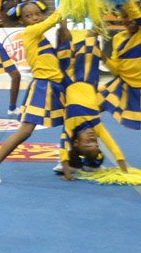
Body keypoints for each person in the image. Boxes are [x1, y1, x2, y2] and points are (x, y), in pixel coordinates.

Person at [0, 2, 64, 184]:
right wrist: (67, 2)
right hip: (42, 87)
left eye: (36, 14)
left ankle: (66, 160)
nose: (34, 18)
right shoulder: (31, 32)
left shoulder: (40, 36)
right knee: (25, 131)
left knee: (75, 121)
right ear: (21, 20)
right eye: (28, 16)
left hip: (58, 86)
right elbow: (54, 19)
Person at [54, 23, 127, 180]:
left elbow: (62, 147)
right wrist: (124, 170)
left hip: (68, 80)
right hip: (88, 78)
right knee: (91, 40)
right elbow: (113, 146)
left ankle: (63, 18)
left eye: (87, 144)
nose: (92, 139)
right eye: (95, 143)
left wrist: (67, 173)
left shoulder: (70, 125)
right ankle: (97, 13)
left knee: (65, 41)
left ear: (76, 144)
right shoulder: (96, 125)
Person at [100, 0, 140, 130]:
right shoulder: (118, 38)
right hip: (123, 86)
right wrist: (102, 57)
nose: (129, 20)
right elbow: (116, 70)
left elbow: (136, 15)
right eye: (124, 16)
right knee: (93, 105)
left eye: (131, 16)